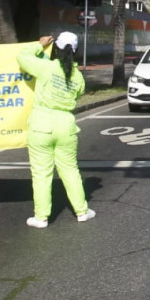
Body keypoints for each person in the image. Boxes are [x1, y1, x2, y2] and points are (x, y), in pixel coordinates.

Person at [16, 32, 95, 229]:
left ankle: (41, 217)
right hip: (66, 126)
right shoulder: (78, 77)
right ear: (75, 51)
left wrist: (39, 45)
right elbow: (79, 93)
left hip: (41, 124)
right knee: (70, 170)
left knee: (41, 173)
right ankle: (82, 211)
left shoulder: (46, 67)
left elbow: (22, 57)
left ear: (57, 48)